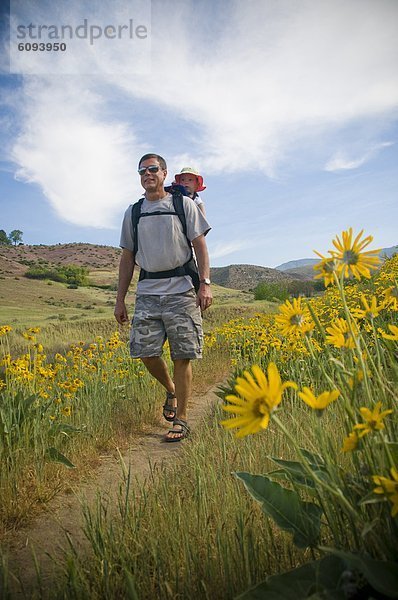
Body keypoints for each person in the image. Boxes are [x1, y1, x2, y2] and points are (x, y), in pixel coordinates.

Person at [114, 153, 212, 442]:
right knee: (144, 351)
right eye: (142, 170)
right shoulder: (133, 212)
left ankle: (181, 419)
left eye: (153, 169)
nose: (147, 174)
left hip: (182, 290)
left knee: (183, 355)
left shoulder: (183, 205)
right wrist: (120, 299)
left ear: (165, 173)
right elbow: (127, 257)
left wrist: (204, 284)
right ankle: (171, 389)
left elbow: (200, 246)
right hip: (147, 293)